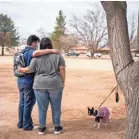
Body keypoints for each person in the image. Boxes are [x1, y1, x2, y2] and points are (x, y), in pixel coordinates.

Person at [18, 37, 66, 135]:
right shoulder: (58, 56)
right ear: (50, 45)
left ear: (41, 46)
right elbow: (62, 69)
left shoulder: (36, 58)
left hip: (39, 85)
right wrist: (63, 81)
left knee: (41, 108)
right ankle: (57, 127)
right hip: (55, 84)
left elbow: (29, 69)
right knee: (56, 107)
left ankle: (42, 128)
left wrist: (20, 69)